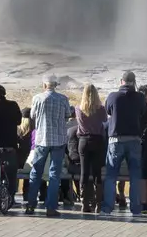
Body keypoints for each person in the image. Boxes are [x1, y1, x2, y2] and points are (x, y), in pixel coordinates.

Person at [24, 76, 72, 217]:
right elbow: (68, 115)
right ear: (55, 85)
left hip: (41, 139)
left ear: (44, 85)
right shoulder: (63, 99)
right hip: (58, 140)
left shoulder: (37, 98)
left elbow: (32, 116)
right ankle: (51, 207)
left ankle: (31, 205)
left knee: (36, 172)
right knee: (54, 174)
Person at [104, 72, 147, 217]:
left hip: (116, 139)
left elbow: (108, 111)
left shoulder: (112, 96)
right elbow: (143, 112)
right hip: (134, 139)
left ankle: (107, 207)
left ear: (121, 81)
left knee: (111, 175)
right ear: (134, 82)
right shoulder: (140, 97)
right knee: (135, 175)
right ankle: (135, 209)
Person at [73, 84, 108, 215]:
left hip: (83, 140)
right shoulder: (101, 109)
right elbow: (104, 120)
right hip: (97, 140)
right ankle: (98, 203)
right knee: (97, 172)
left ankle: (84, 203)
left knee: (84, 172)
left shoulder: (78, 108)